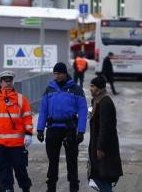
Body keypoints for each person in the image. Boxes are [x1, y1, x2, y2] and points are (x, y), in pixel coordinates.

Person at [36, 62, 88, 192]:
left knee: (72, 161)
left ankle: (74, 187)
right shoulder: (49, 89)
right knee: (52, 161)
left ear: (65, 74)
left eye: (59, 73)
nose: (56, 76)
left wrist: (81, 131)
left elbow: (83, 111)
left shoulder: (76, 89)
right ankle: (51, 188)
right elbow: (43, 110)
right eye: (55, 73)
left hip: (69, 129)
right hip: (53, 128)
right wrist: (40, 129)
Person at [0, 71, 33, 192]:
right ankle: (7, 189)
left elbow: (27, 118)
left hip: (17, 144)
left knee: (20, 168)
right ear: (0, 83)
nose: (8, 83)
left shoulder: (21, 99)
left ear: (13, 82)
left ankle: (25, 188)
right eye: (5, 81)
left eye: (10, 80)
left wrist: (29, 134)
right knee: (4, 170)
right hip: (0, 144)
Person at [88, 76, 123, 191]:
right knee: (101, 177)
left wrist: (100, 148)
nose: (90, 89)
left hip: (104, 149)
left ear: (98, 88)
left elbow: (105, 128)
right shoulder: (98, 101)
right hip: (99, 147)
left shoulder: (105, 103)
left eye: (92, 86)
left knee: (101, 178)